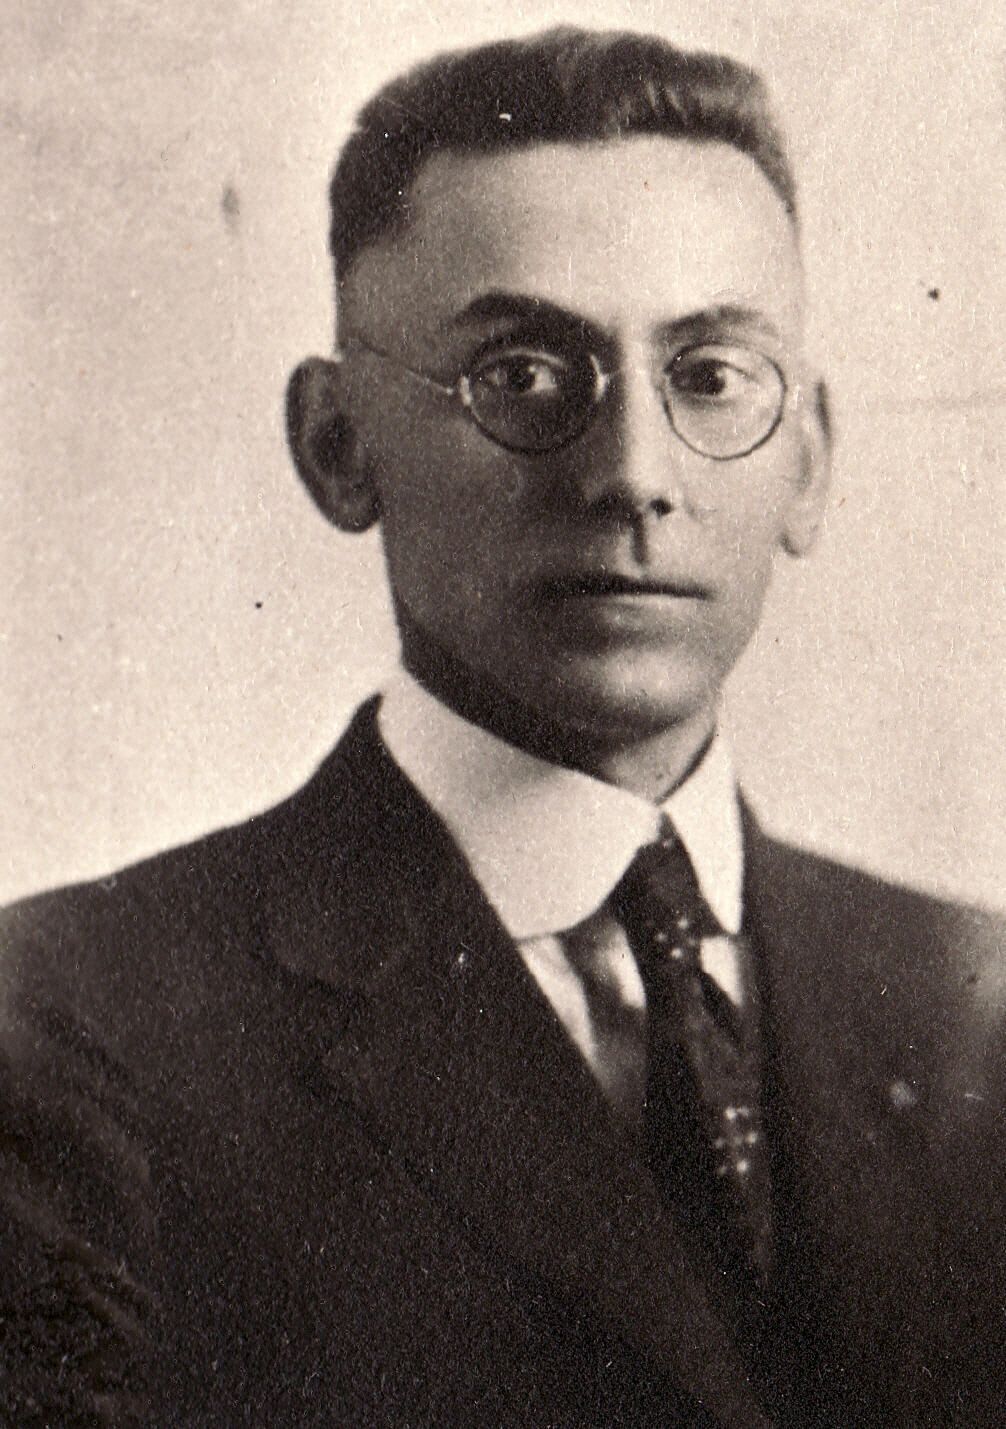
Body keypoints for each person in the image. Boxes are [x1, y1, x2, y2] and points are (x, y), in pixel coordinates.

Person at [2, 26, 1003, 1427]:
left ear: (810, 461)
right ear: (338, 444)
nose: (634, 474)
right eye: (524, 373)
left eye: (711, 374)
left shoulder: (969, 1004)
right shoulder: (67, 1024)